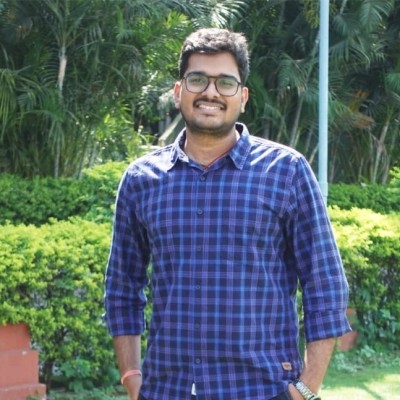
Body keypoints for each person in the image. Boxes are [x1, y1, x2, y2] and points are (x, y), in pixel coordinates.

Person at [104, 28, 351, 400]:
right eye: (198, 80)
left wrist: (306, 389)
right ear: (178, 91)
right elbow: (122, 287)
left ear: (243, 97)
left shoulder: (286, 171)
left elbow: (325, 284)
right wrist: (131, 377)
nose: (211, 92)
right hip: (167, 390)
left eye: (225, 82)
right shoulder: (142, 180)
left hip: (263, 390)